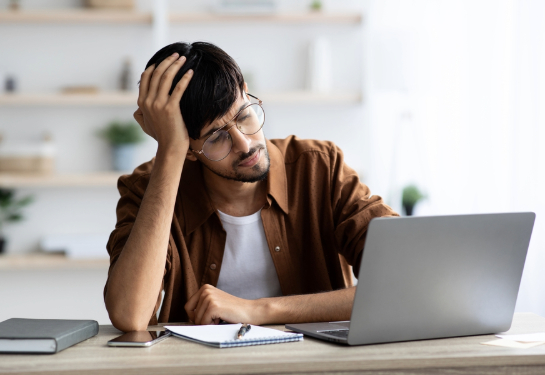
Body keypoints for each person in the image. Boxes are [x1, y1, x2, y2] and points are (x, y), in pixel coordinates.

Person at [104, 42, 398, 332]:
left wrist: (258, 309)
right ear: (190, 149)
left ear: (245, 92)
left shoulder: (320, 167)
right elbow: (131, 315)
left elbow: (405, 281)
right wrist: (170, 151)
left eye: (244, 116)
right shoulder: (147, 189)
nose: (245, 144)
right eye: (216, 137)